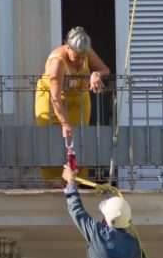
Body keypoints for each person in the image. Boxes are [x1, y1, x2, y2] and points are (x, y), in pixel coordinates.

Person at [35, 27, 111, 185]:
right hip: (51, 101)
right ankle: (54, 182)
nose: (80, 62)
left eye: (83, 58)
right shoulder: (57, 62)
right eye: (76, 57)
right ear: (68, 48)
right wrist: (64, 123)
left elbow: (105, 69)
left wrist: (95, 74)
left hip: (78, 98)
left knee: (79, 138)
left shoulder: (85, 50)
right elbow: (55, 98)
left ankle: (77, 181)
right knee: (52, 139)